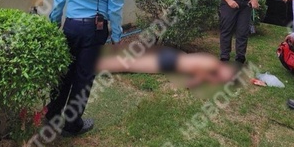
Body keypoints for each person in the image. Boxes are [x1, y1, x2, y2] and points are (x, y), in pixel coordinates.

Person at [46, 0, 126, 136]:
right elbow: (115, 9)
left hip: (70, 26)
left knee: (64, 74)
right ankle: (72, 125)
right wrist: (116, 36)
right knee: (83, 77)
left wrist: (54, 24)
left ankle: (51, 117)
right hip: (94, 30)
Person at [96, 48, 240, 88]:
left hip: (172, 57)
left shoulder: (213, 62)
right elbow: (196, 76)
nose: (225, 79)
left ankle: (97, 62)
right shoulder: (213, 64)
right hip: (169, 61)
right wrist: (197, 82)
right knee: (129, 65)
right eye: (228, 77)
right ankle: (95, 65)